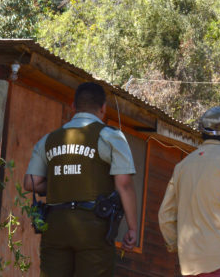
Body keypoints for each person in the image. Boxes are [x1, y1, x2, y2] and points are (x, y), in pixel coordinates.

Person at [23, 81, 138, 277]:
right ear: (103, 108)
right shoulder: (110, 137)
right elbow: (124, 184)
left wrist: (65, 179)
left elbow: (31, 182)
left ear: (73, 106)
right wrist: (133, 227)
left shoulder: (48, 140)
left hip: (55, 227)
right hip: (94, 228)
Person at [159, 106, 220, 277]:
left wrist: (177, 246)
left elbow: (165, 215)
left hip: (191, 264)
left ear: (202, 133)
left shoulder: (182, 166)